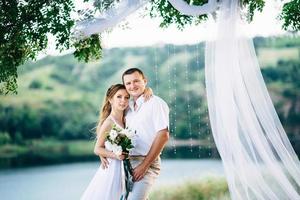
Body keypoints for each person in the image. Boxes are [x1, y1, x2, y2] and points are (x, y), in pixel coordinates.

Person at [81, 84, 153, 200]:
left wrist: (147, 90)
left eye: (126, 97)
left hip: (128, 168)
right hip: (113, 170)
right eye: (119, 97)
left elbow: (138, 95)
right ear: (110, 99)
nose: (123, 101)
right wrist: (115, 155)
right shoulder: (109, 122)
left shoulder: (128, 114)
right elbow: (97, 148)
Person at [122, 68, 170, 200]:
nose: (132, 86)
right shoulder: (127, 107)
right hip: (126, 164)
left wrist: (144, 166)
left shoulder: (155, 103)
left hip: (146, 163)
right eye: (128, 83)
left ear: (145, 81)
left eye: (136, 81)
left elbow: (163, 135)